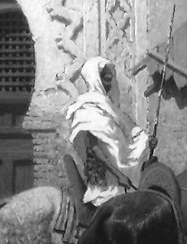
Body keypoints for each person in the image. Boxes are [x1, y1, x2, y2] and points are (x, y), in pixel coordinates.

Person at [63, 55, 152, 212]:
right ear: (94, 79)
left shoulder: (109, 107)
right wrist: (118, 176)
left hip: (123, 174)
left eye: (110, 79)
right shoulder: (86, 110)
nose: (109, 84)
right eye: (105, 79)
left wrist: (147, 142)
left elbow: (128, 135)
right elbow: (95, 150)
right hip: (108, 181)